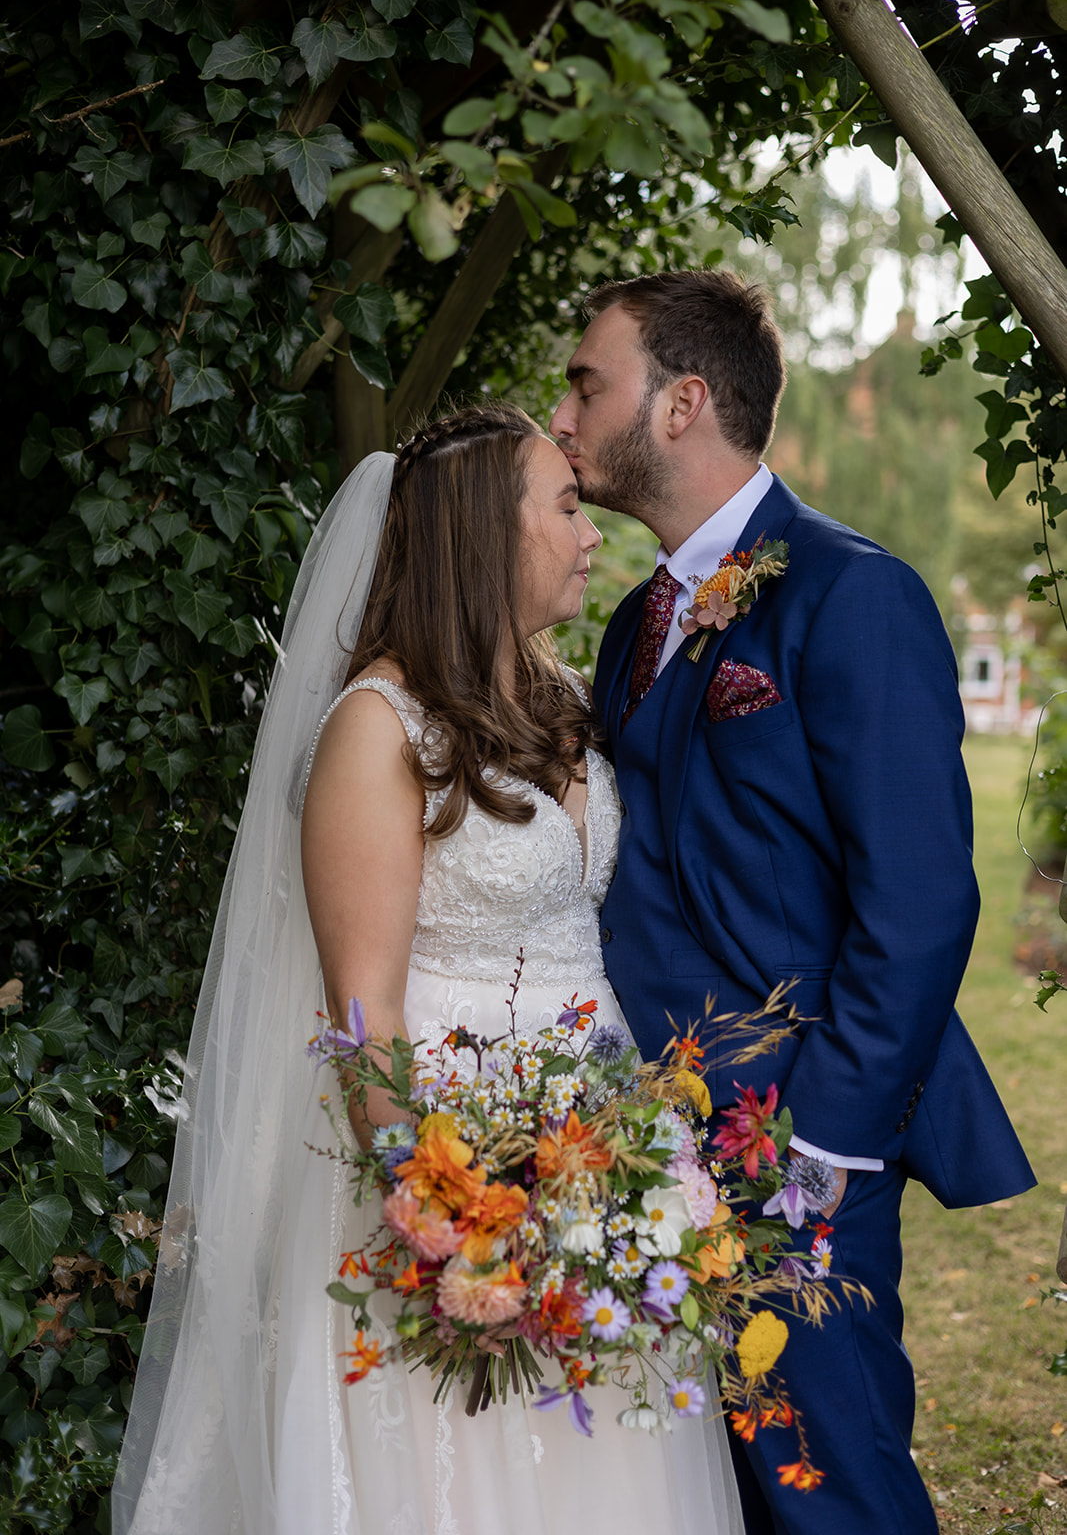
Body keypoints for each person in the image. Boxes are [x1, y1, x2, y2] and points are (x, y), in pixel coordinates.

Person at [111, 403, 744, 1535]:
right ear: (481, 537)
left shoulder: (556, 704)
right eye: (562, 505)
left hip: (603, 1161)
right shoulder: (377, 730)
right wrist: (460, 1221)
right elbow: (368, 1018)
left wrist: (625, 1182)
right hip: (460, 1182)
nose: (591, 530)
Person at [549, 270, 1036, 1535]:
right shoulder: (629, 627)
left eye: (584, 382)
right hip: (641, 1134)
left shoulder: (848, 593)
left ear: (681, 403)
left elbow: (919, 901)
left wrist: (824, 1138)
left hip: (792, 1137)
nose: (561, 413)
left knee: (828, 1483)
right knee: (703, 1486)